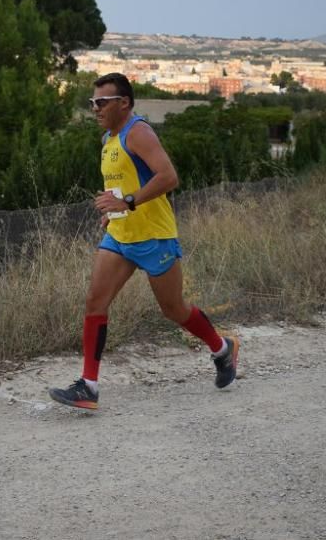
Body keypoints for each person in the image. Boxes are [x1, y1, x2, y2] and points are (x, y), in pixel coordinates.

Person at [48, 73, 239, 411]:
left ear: (124, 103)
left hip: (154, 237)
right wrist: (112, 210)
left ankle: (223, 348)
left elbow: (169, 177)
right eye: (92, 103)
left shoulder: (139, 132)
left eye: (101, 103)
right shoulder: (109, 138)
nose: (95, 109)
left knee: (173, 309)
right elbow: (122, 183)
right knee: (95, 301)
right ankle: (88, 386)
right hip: (121, 236)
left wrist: (129, 202)